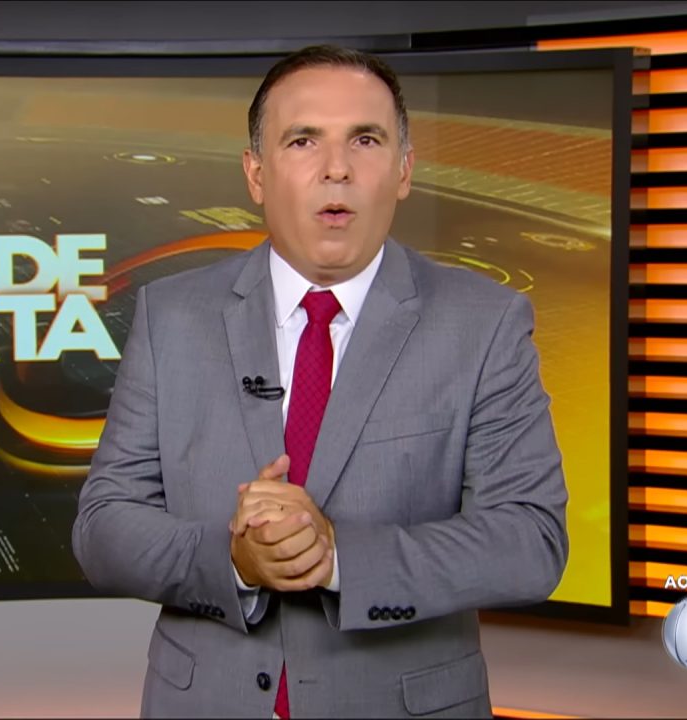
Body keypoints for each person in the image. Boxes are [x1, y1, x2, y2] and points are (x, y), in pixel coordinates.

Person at [72, 44, 569, 718]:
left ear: (403, 169)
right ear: (256, 173)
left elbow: (531, 541)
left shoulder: (484, 322)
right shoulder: (172, 316)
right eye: (303, 140)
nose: (337, 168)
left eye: (365, 140)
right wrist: (234, 561)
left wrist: (339, 558)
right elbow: (103, 529)